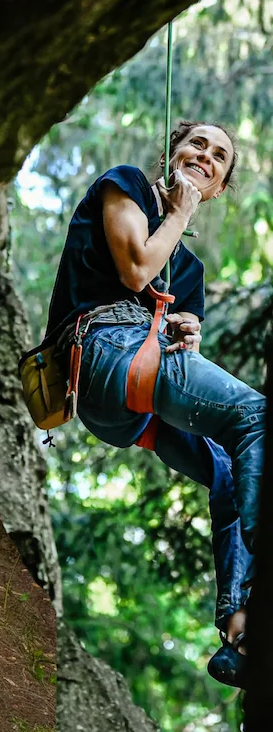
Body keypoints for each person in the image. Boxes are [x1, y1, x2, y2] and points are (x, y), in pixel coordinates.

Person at [41, 121, 263, 687]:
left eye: (219, 158)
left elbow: (172, 323)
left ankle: (238, 626)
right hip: (103, 355)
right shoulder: (127, 185)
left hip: (131, 399)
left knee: (229, 469)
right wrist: (179, 215)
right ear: (172, 154)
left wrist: (187, 327)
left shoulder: (190, 271)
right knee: (257, 416)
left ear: (218, 186)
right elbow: (136, 267)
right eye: (196, 146)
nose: (205, 158)